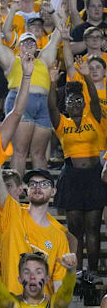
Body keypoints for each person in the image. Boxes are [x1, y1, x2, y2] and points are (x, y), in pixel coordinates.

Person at [0, 111, 70, 295]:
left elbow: (58, 284)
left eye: (44, 184)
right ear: (26, 189)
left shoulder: (59, 235)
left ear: (53, 192)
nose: (38, 187)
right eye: (33, 184)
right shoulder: (12, 212)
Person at [48, 55, 105, 277]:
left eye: (79, 100)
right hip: (71, 177)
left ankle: (91, 271)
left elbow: (93, 97)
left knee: (92, 228)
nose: (76, 103)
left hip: (93, 176)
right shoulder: (62, 123)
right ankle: (76, 271)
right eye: (71, 101)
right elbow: (51, 106)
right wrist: (53, 82)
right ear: (66, 105)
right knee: (75, 229)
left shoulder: (94, 119)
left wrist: (87, 77)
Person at [0, 14, 63, 175]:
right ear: (19, 46)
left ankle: (42, 186)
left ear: (37, 45)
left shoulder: (44, 59)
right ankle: (17, 191)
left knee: (39, 153)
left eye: (32, 42)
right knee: (20, 151)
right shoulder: (12, 60)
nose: (28, 44)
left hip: (43, 104)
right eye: (25, 42)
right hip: (20, 101)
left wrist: (53, 12)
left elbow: (57, 34)